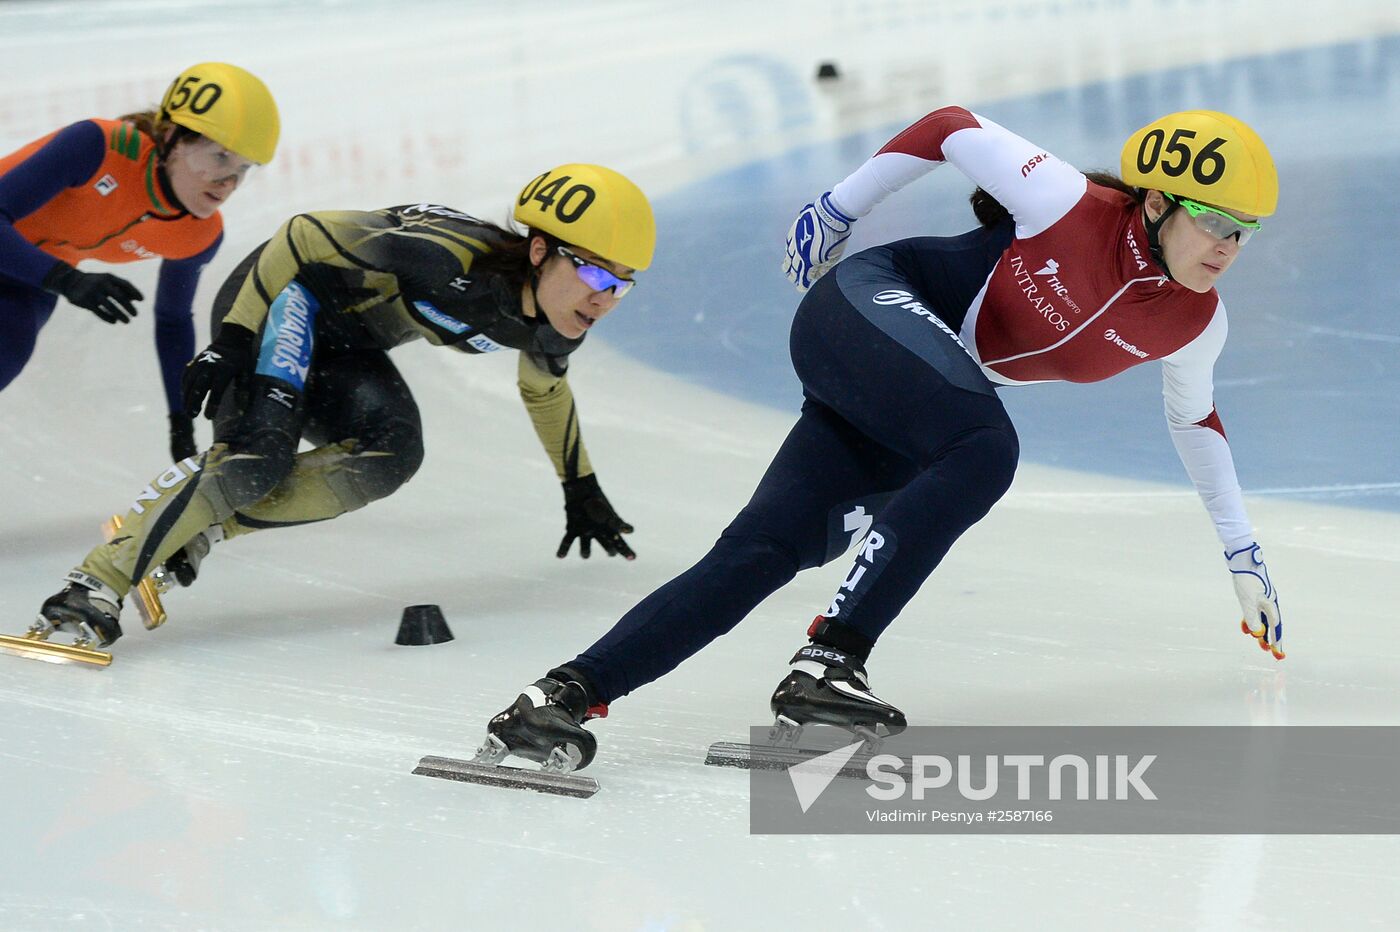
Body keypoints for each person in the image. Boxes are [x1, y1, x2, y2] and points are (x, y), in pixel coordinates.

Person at [478, 108, 1286, 774]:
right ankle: (830, 661)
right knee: (985, 447)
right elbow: (951, 125)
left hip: (915, 393)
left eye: (1245, 232)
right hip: (867, 306)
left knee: (765, 550)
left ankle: (558, 698)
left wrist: (1242, 555)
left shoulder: (1195, 324)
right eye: (1215, 221)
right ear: (1156, 203)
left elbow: (1197, 423)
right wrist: (839, 207)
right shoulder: (1068, 202)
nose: (1228, 248)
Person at [29, 163, 654, 653]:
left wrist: (580, 485)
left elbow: (544, 389)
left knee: (391, 457)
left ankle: (196, 524)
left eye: (622, 284)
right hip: (283, 300)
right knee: (254, 462)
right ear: (541, 250)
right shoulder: (447, 254)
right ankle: (93, 586)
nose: (607, 300)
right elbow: (303, 234)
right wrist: (234, 338)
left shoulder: (553, 325)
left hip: (347, 345)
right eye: (598, 276)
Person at [0, 62, 279, 461]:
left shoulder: (198, 236)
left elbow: (172, 319)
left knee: (8, 346)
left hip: (27, 278)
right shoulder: (99, 147)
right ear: (172, 138)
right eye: (220, 158)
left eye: (243, 169)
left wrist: (180, 421)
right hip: (35, 267)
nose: (229, 183)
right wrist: (68, 280)